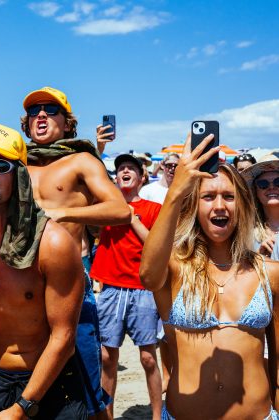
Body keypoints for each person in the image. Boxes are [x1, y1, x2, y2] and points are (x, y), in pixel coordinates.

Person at [0, 123, 87, 418]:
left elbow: (63, 337)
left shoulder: (54, 244)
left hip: (53, 382)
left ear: (19, 177)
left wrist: (23, 407)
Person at [140, 134, 279, 419]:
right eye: (208, 196)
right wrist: (176, 190)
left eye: (229, 196)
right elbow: (147, 277)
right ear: (194, 206)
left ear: (242, 206)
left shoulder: (269, 272)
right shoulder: (175, 269)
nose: (219, 206)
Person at [20, 86, 130, 418]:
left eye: (51, 110)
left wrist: (63, 215)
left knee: (87, 388)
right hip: (18, 283)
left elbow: (120, 210)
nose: (41, 114)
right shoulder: (12, 163)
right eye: (35, 110)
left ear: (68, 124)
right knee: (25, 381)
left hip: (68, 281)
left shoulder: (80, 160)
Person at [89, 154, 162, 419]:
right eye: (121, 169)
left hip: (143, 289)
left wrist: (131, 218)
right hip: (110, 288)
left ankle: (157, 415)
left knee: (148, 358)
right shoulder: (106, 205)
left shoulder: (154, 208)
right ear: (116, 177)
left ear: (143, 177)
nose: (125, 171)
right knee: (107, 359)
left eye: (131, 168)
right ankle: (106, 416)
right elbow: (92, 227)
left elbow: (155, 244)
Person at [242, 156, 279, 258]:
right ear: (255, 191)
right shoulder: (245, 233)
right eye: (263, 184)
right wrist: (257, 259)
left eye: (278, 182)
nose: (272, 187)